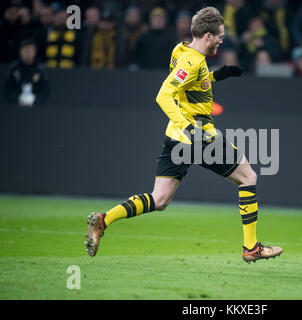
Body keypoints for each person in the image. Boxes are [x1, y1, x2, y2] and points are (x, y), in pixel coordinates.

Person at [84, 7, 283, 264]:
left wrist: (215, 76)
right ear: (208, 36)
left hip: (175, 138)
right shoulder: (193, 61)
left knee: (160, 199)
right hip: (197, 136)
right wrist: (189, 127)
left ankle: (104, 219)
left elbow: (188, 86)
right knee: (248, 177)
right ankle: (251, 247)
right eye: (220, 36)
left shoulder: (181, 50)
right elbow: (164, 95)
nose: (222, 40)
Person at [2, 39, 50, 107]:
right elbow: (7, 88)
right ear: (20, 51)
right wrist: (17, 99)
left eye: (30, 51)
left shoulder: (40, 69)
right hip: (14, 108)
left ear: (35, 52)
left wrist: (35, 100)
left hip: (36, 109)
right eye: (25, 51)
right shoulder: (14, 68)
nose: (28, 54)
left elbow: (45, 90)